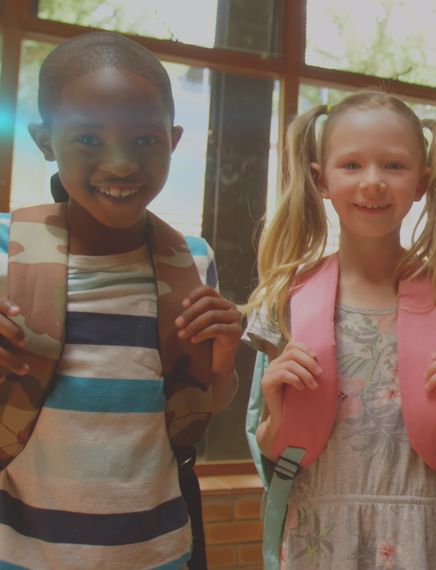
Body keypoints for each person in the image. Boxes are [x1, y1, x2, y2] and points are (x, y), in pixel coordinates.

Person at [0, 32, 241, 569]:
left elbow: (208, 400)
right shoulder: (6, 252)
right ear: (45, 141)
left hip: (159, 552)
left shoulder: (193, 261)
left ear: (172, 140)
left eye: (144, 141)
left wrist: (223, 359)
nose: (121, 164)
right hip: (23, 552)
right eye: (87, 139)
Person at [243, 89, 436, 569]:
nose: (373, 182)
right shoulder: (285, 300)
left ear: (422, 181)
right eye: (352, 165)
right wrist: (275, 405)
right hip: (320, 534)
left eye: (394, 166)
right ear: (321, 179)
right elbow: (273, 444)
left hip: (420, 534)